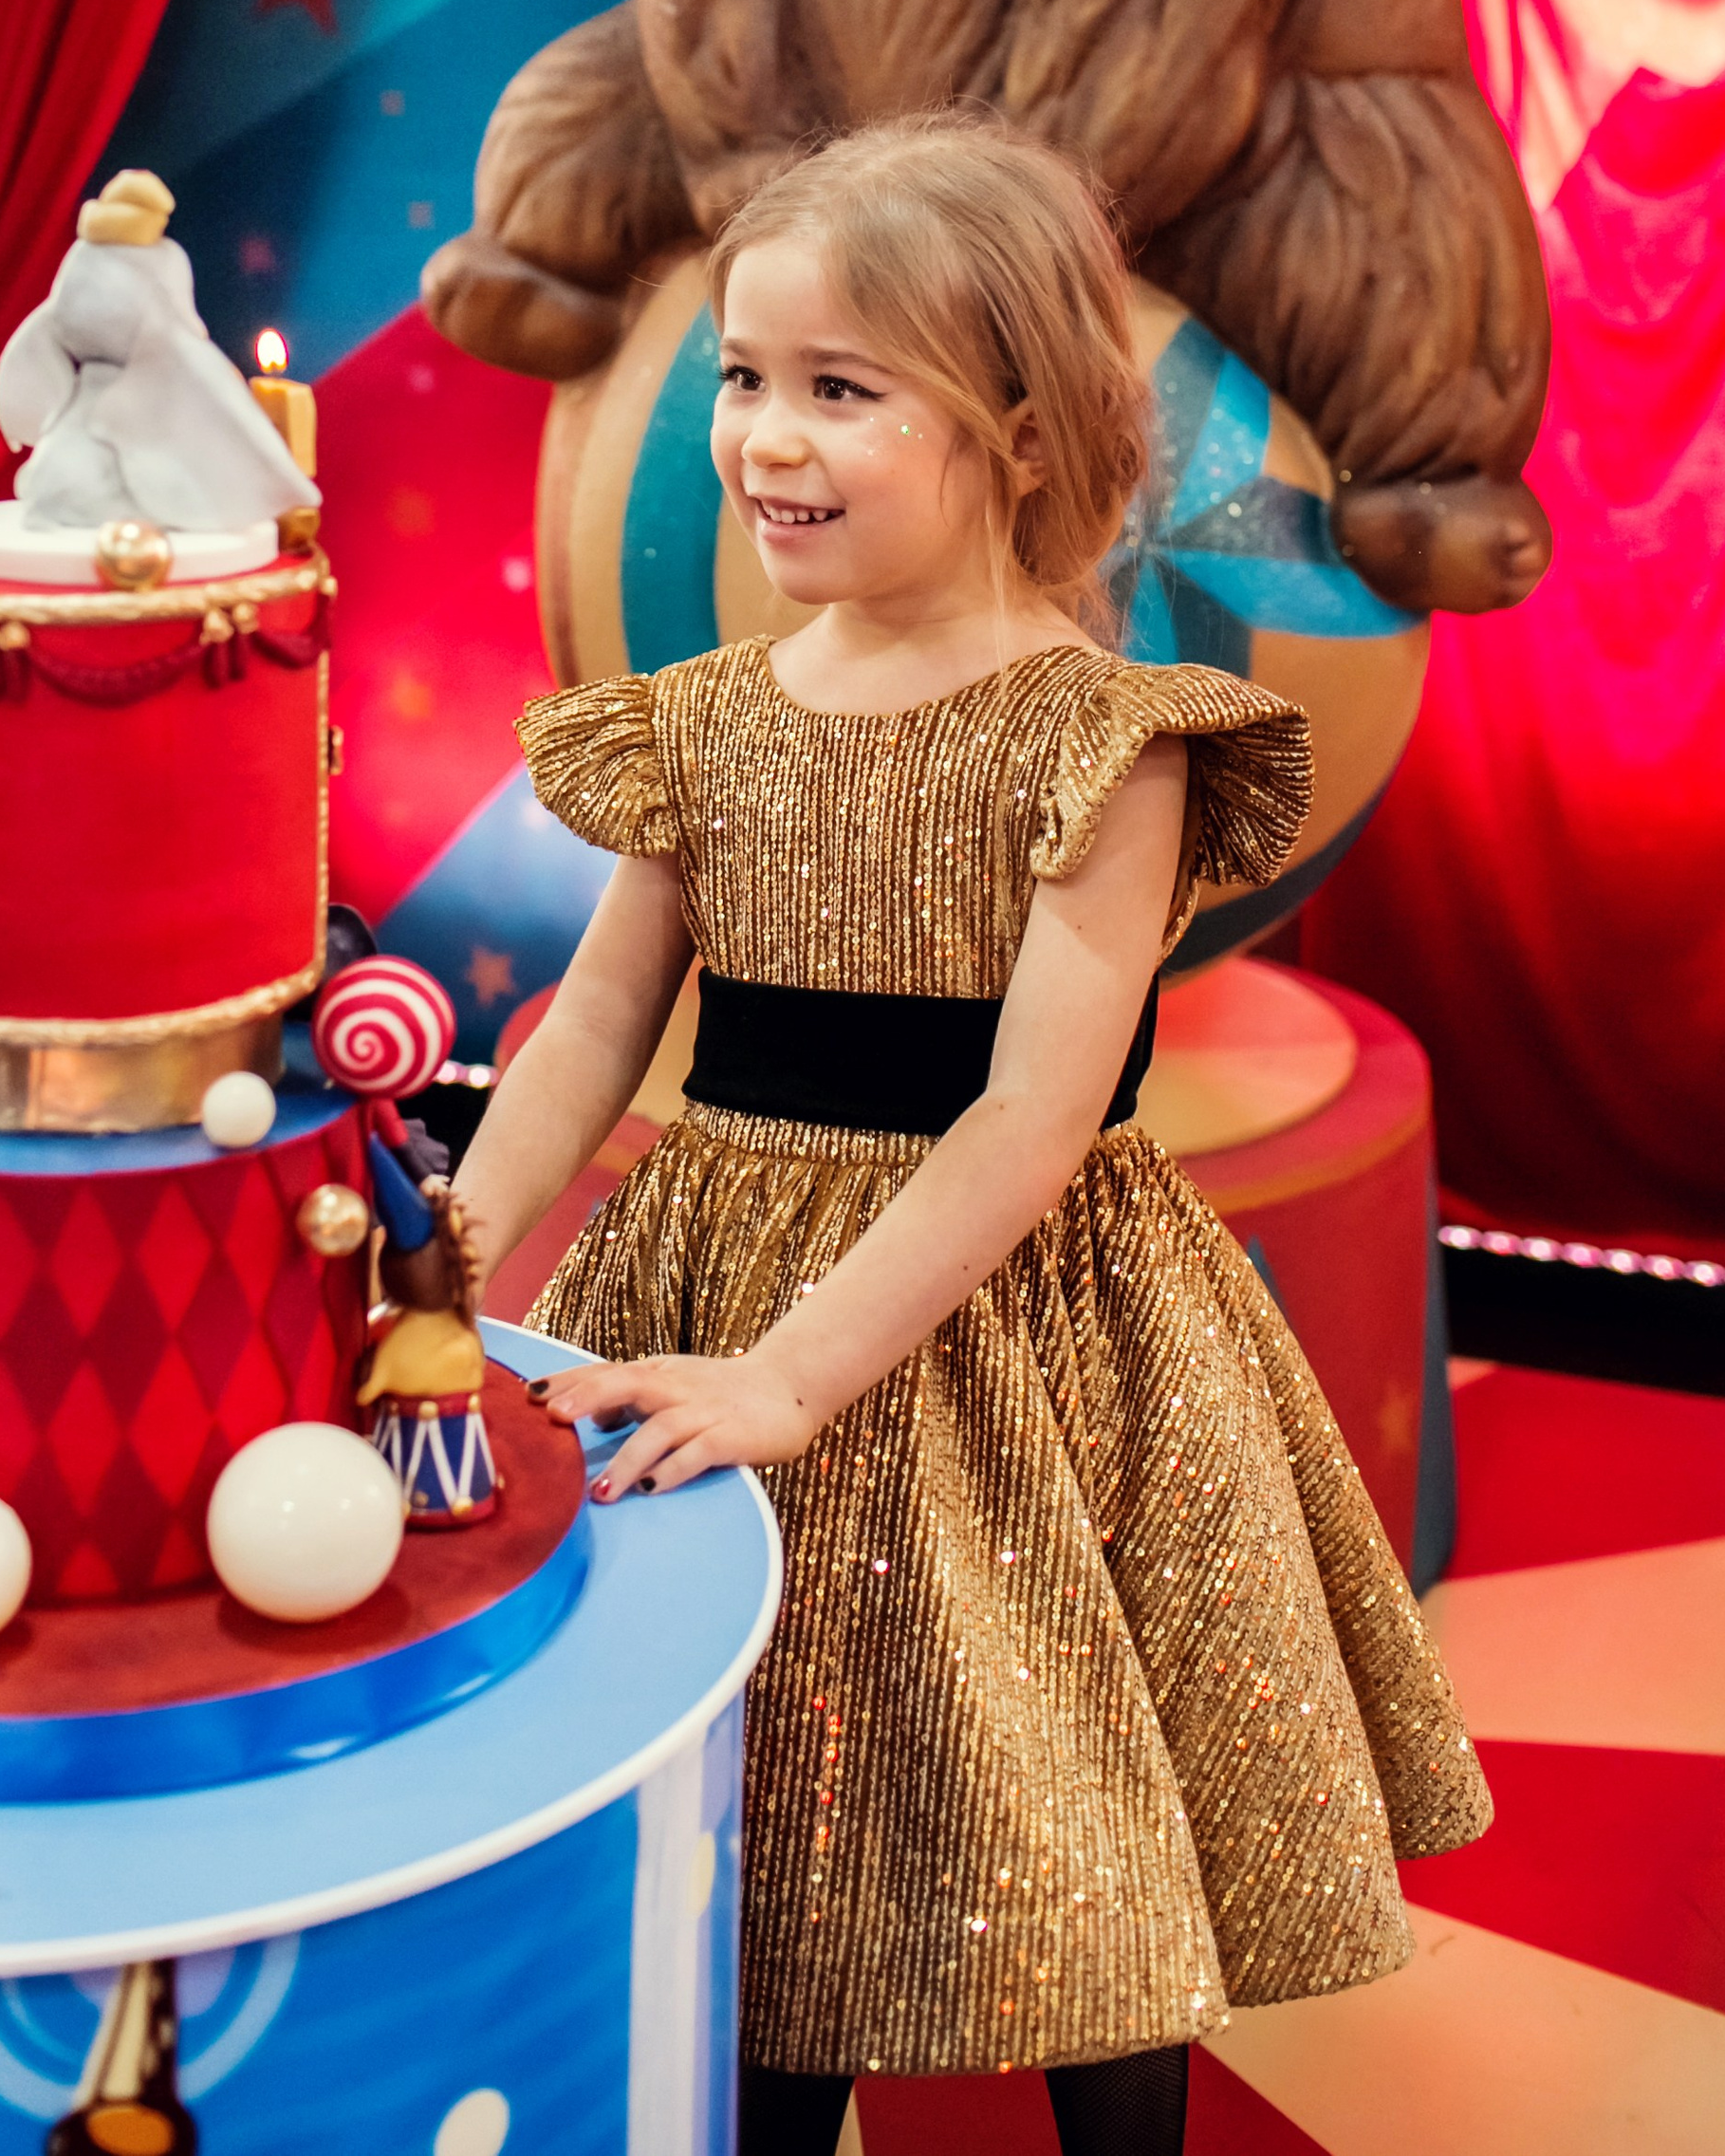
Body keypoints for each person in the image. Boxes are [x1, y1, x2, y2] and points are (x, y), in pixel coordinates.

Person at [453, 115, 1490, 2153]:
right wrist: (440, 1264)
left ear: (1017, 431)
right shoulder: (703, 717)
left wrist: (793, 1373)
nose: (761, 434)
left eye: (843, 389)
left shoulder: (1105, 742)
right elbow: (591, 1030)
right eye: (745, 375)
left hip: (1013, 1331)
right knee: (765, 1805)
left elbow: (1026, 1125)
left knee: (1066, 1809)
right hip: (717, 1275)